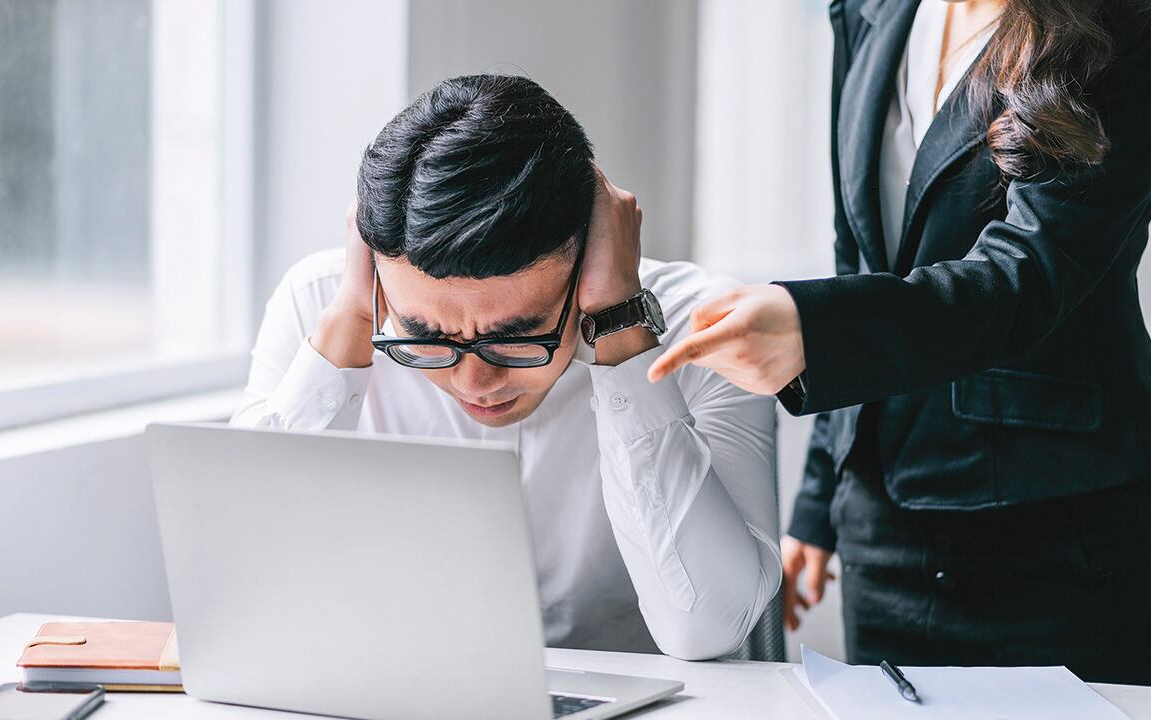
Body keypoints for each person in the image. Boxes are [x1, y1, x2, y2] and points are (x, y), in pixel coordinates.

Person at [649, 0, 1151, 683]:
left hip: (1056, 528)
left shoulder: (1120, 24)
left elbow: (1027, 273)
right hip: (881, 526)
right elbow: (857, 253)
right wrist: (818, 502)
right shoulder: (868, 11)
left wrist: (814, 330)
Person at [231, 75, 781, 661]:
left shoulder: (706, 330)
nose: (474, 382)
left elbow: (705, 629)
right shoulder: (322, 305)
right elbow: (244, 586)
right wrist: (350, 324)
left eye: (517, 336)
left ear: (590, 258)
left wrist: (621, 323)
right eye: (424, 334)